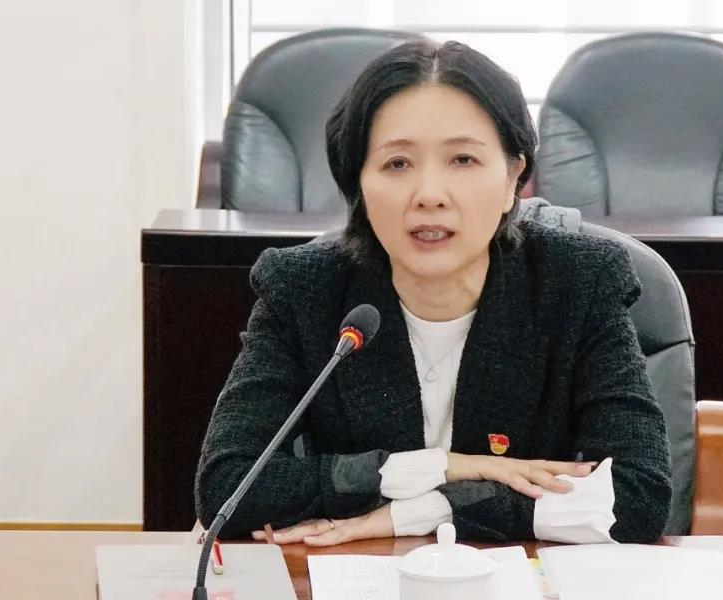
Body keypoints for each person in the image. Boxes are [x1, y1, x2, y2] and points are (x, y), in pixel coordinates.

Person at [195, 39, 671, 546]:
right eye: (397, 164)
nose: (429, 195)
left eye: (463, 159)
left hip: (522, 583)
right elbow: (228, 486)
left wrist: (430, 509)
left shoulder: (579, 281)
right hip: (362, 579)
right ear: (358, 184)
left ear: (513, 177)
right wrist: (444, 466)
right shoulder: (305, 290)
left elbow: (638, 496)